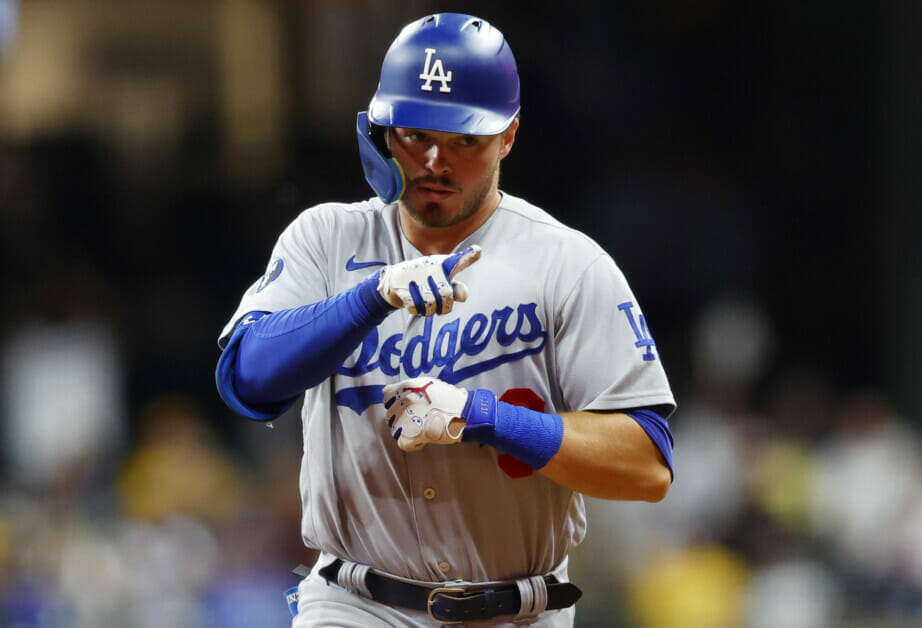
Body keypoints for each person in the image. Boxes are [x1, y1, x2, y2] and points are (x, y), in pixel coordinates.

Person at [215, 12, 676, 627]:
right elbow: (246, 380)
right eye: (416, 134)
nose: (435, 161)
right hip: (355, 604)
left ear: (508, 136)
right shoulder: (327, 239)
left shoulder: (566, 263)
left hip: (518, 610)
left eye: (465, 141)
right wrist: (369, 296)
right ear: (381, 128)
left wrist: (481, 417)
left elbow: (647, 464)